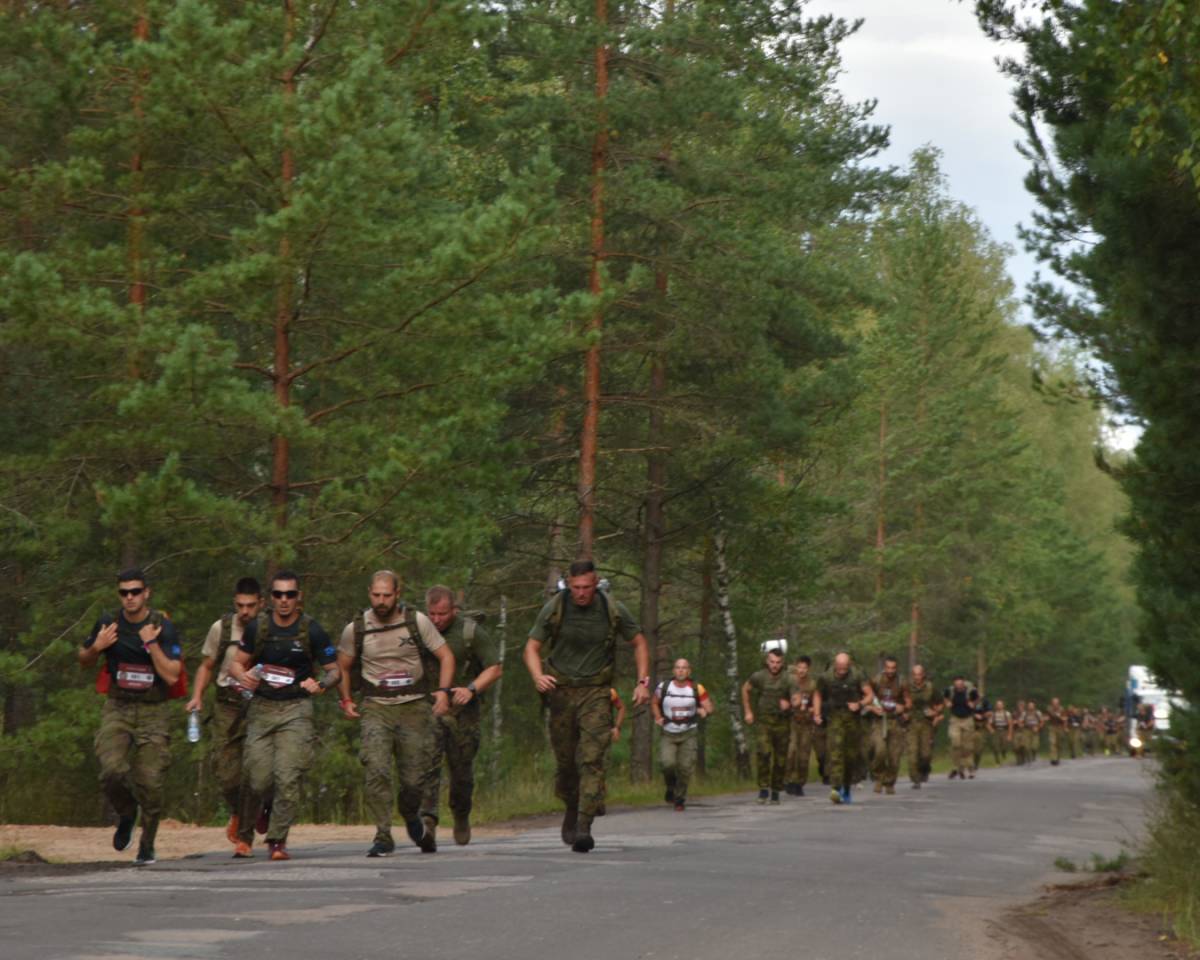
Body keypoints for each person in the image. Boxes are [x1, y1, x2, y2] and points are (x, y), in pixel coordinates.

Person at [523, 560, 650, 853]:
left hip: (596, 691)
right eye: (576, 587)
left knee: (592, 759)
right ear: (569, 584)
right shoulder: (556, 607)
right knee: (566, 763)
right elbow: (531, 647)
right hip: (561, 692)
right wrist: (537, 676)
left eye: (586, 588)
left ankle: (584, 825)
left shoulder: (612, 608)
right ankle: (572, 805)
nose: (581, 593)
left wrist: (643, 682)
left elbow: (639, 643)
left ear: (596, 584)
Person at [337, 571, 453, 857]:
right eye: (376, 595)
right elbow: (341, 666)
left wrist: (443, 691)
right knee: (376, 769)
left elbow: (446, 656)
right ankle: (383, 834)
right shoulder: (356, 628)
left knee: (414, 779)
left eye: (386, 595)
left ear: (397, 594)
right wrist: (346, 699)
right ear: (369, 593)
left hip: (414, 706)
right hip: (376, 705)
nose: (381, 601)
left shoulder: (416, 622)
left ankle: (410, 811)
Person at [229, 570, 340, 861]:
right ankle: (245, 835)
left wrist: (321, 685)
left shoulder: (311, 630)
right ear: (271, 598)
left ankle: (277, 841)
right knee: (256, 778)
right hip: (263, 707)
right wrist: (244, 677)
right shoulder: (258, 627)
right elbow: (235, 664)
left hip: (296, 710)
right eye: (278, 594)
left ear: (298, 597)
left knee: (289, 777)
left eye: (290, 594)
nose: (284, 600)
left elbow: (335, 670)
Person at [79, 568, 184, 866]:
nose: (130, 598)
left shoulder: (162, 626)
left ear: (146, 593)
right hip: (118, 707)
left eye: (135, 592)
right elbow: (84, 659)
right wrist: (96, 647)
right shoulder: (107, 622)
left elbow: (173, 675)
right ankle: (126, 813)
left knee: (150, 781)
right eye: (124, 593)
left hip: (153, 711)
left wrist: (151, 644)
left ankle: (147, 844)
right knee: (111, 769)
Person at [421, 585, 501, 847]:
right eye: (432, 613)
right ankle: (428, 822)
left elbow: (494, 668)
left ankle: (461, 813)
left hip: (463, 711)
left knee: (461, 771)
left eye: (442, 613)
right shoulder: (420, 630)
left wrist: (471, 689)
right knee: (427, 764)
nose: (437, 619)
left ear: (453, 610)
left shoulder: (470, 632)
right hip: (430, 708)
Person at [186, 577, 263, 845]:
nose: (245, 611)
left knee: (258, 771)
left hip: (259, 706)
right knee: (225, 772)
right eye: (240, 605)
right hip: (226, 706)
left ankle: (248, 830)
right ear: (234, 603)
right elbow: (207, 666)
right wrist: (197, 696)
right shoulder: (221, 629)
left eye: (251, 606)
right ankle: (239, 812)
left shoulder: (269, 627)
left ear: (260, 604)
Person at [813, 652, 874, 805]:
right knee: (835, 753)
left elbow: (870, 695)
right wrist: (816, 713)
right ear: (835, 664)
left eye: (844, 668)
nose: (841, 671)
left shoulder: (857, 675)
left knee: (850, 757)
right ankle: (836, 788)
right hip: (835, 718)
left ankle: (846, 787)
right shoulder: (826, 677)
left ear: (849, 665)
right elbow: (817, 694)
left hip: (852, 720)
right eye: (839, 668)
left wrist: (859, 704)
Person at [652, 659, 713, 812]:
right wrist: (658, 716)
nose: (680, 671)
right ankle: (671, 786)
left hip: (688, 732)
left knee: (685, 767)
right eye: (678, 668)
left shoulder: (697, 688)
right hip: (668, 732)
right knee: (667, 764)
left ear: (689, 671)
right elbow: (654, 702)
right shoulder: (663, 687)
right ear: (674, 671)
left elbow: (709, 706)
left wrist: (703, 709)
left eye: (684, 668)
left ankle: (679, 798)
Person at [742, 649, 796, 805]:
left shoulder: (789, 678)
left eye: (778, 662)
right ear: (767, 661)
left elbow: (797, 698)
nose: (775, 665)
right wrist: (748, 711)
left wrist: (790, 703)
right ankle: (763, 788)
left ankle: (776, 790)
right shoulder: (759, 676)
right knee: (764, 753)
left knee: (780, 759)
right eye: (772, 662)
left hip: (782, 722)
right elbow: (746, 689)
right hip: (764, 721)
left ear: (782, 662)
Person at [865, 655, 906, 795]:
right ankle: (878, 777)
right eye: (888, 667)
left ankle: (890, 782)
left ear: (896, 668)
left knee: (894, 756)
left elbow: (908, 701)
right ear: (884, 668)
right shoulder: (875, 680)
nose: (890, 670)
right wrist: (872, 708)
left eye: (893, 668)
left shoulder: (902, 681)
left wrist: (902, 707)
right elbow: (865, 697)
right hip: (879, 720)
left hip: (895, 720)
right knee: (880, 751)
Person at [785, 655, 818, 796]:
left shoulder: (812, 684)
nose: (802, 670)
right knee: (791, 751)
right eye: (799, 667)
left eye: (804, 668)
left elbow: (817, 701)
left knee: (803, 755)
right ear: (796, 667)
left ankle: (799, 783)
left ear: (808, 669)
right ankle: (788, 780)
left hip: (806, 723)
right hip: (792, 720)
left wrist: (813, 711)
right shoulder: (789, 681)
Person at [905, 664, 941, 788]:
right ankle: (915, 779)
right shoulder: (907, 688)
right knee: (912, 752)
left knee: (925, 754)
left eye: (919, 674)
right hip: (912, 723)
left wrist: (935, 712)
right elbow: (900, 702)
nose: (917, 677)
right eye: (914, 675)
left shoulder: (930, 688)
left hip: (926, 723)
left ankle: (924, 770)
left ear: (923, 675)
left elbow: (940, 703)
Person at [943, 676, 978, 780]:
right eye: (956, 685)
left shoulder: (970, 691)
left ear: (963, 684)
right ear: (954, 685)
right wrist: (947, 703)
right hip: (955, 719)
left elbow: (977, 698)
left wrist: (973, 704)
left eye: (960, 685)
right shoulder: (950, 691)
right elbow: (944, 697)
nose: (958, 687)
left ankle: (971, 769)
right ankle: (957, 767)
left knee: (967, 747)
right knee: (955, 743)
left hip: (967, 719)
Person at [971, 690, 992, 773]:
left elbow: (990, 712)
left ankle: (976, 763)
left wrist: (983, 715)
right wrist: (974, 715)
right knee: (969, 747)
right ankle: (969, 764)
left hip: (981, 727)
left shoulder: (985, 702)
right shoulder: (969, 701)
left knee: (978, 749)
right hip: (970, 727)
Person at [989, 698, 1013, 765]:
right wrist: (991, 729)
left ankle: (1004, 753)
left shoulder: (1007, 713)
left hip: (1004, 730)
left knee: (1004, 745)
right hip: (996, 731)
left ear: (1003, 705)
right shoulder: (993, 714)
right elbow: (988, 723)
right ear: (996, 706)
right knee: (995, 746)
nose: (999, 706)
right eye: (998, 705)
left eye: (1000, 704)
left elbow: (1010, 724)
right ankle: (997, 760)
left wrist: (1010, 734)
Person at [1045, 697, 1068, 765]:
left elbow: (1065, 719)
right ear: (1052, 703)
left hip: (1060, 727)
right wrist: (1045, 719)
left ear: (1058, 703)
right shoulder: (1049, 709)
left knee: (1059, 743)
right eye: (1053, 703)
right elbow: (1046, 716)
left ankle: (1058, 757)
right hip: (1052, 727)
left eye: (1056, 703)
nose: (1055, 704)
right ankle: (1053, 759)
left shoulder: (1062, 709)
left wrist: (1065, 727)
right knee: (1052, 743)